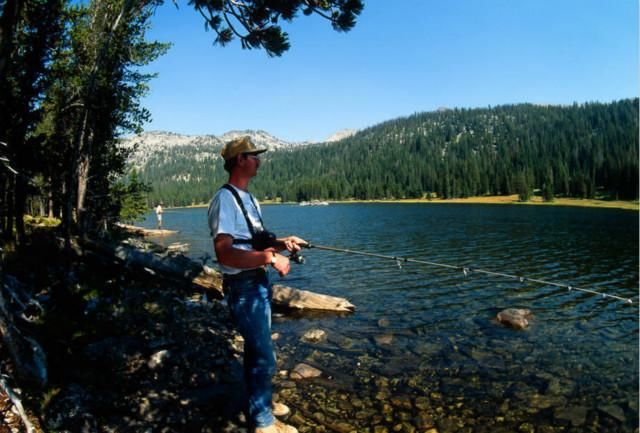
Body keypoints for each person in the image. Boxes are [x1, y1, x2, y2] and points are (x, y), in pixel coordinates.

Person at [208, 136, 305, 433]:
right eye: (254, 156)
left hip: (257, 284)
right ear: (240, 160)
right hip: (243, 288)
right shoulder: (224, 199)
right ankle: (263, 423)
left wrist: (282, 243)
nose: (259, 160)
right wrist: (269, 258)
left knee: (255, 351)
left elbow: (257, 239)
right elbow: (224, 252)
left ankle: (259, 403)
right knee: (264, 354)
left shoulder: (249, 199)